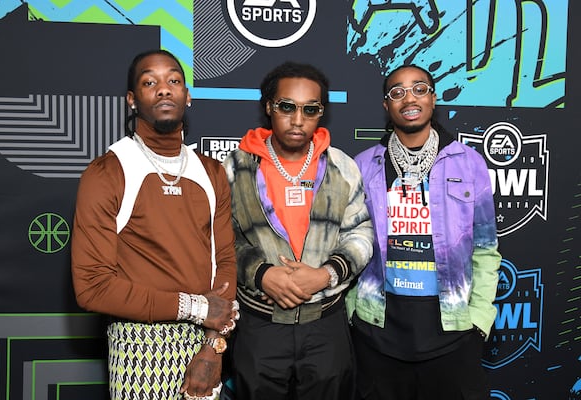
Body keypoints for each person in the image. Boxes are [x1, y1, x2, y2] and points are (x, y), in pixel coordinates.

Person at [71, 49, 238, 400]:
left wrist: (213, 348)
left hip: (204, 342)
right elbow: (91, 287)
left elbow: (224, 261)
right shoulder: (108, 172)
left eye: (174, 81)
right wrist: (194, 307)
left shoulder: (211, 172)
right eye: (150, 82)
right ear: (132, 100)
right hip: (137, 344)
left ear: (187, 96)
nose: (164, 89)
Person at [346, 64, 501, 399]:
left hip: (453, 334)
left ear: (433, 98)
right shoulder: (363, 166)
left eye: (419, 89)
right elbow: (347, 243)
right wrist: (352, 314)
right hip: (377, 335)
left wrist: (479, 320)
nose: (409, 98)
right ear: (387, 106)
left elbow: (486, 248)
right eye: (397, 92)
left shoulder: (468, 163)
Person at [223, 61, 374, 400]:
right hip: (259, 324)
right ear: (269, 107)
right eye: (287, 107)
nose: (297, 119)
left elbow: (361, 234)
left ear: (321, 113)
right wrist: (260, 274)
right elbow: (219, 240)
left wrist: (325, 275)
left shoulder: (342, 167)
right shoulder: (236, 167)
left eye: (310, 109)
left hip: (325, 324)